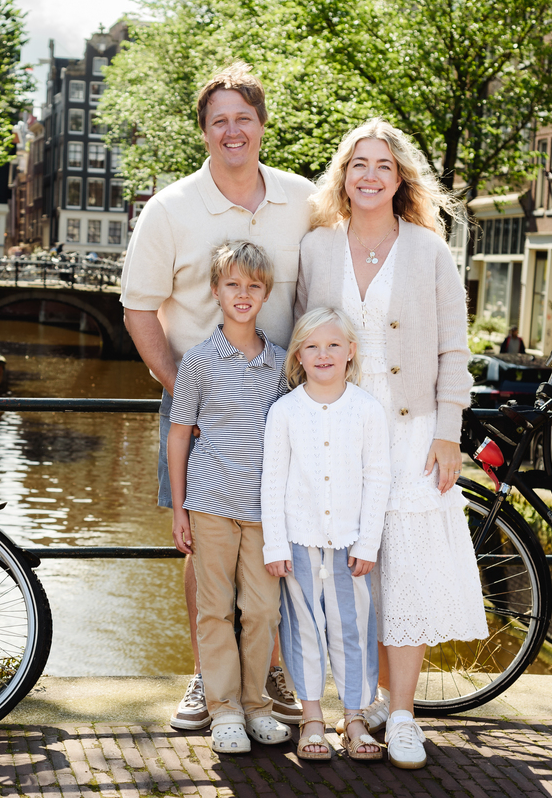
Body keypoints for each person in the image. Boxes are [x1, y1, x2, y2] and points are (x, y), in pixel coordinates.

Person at [120, 61, 314, 731]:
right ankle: (208, 677)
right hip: (200, 409)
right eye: (219, 120)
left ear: (262, 125)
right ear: (203, 132)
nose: (233, 130)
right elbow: (139, 309)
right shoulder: (169, 210)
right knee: (204, 549)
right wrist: (184, 393)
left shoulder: (304, 200)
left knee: (285, 544)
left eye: (244, 117)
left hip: (287, 410)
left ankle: (271, 676)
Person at [294, 117, 489, 769]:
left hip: (409, 430)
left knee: (402, 571)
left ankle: (403, 714)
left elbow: (454, 349)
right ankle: (366, 700)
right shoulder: (317, 247)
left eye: (382, 164)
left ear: (400, 176)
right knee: (354, 571)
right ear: (343, 178)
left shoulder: (431, 251)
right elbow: (298, 341)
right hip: (335, 427)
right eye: (358, 164)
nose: (370, 175)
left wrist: (448, 430)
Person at [167, 240, 292, 754]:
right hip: (211, 504)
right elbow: (180, 434)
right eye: (233, 285)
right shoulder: (199, 361)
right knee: (215, 609)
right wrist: (179, 509)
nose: (243, 294)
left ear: (265, 295)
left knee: (263, 610)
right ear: (216, 291)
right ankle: (223, 712)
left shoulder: (283, 365)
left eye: (253, 286)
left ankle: (256, 704)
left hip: (264, 512)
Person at [262, 307, 390, 762]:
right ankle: (312, 716)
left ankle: (355, 717)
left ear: (351, 352)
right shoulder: (285, 412)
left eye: (333, 344)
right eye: (312, 346)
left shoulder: (366, 410)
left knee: (351, 631)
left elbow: (378, 477)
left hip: (350, 545)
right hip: (298, 542)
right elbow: (272, 482)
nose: (323, 354)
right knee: (304, 631)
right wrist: (275, 545)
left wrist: (369, 541)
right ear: (298, 354)